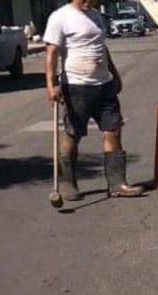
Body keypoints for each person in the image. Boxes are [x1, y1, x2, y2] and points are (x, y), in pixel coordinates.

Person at [44, 0, 144, 200]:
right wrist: (50, 84)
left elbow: (102, 47)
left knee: (113, 129)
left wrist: (114, 74)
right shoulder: (60, 17)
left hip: (103, 84)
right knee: (73, 133)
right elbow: (51, 53)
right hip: (76, 86)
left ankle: (117, 183)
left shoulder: (96, 15)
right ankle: (68, 183)